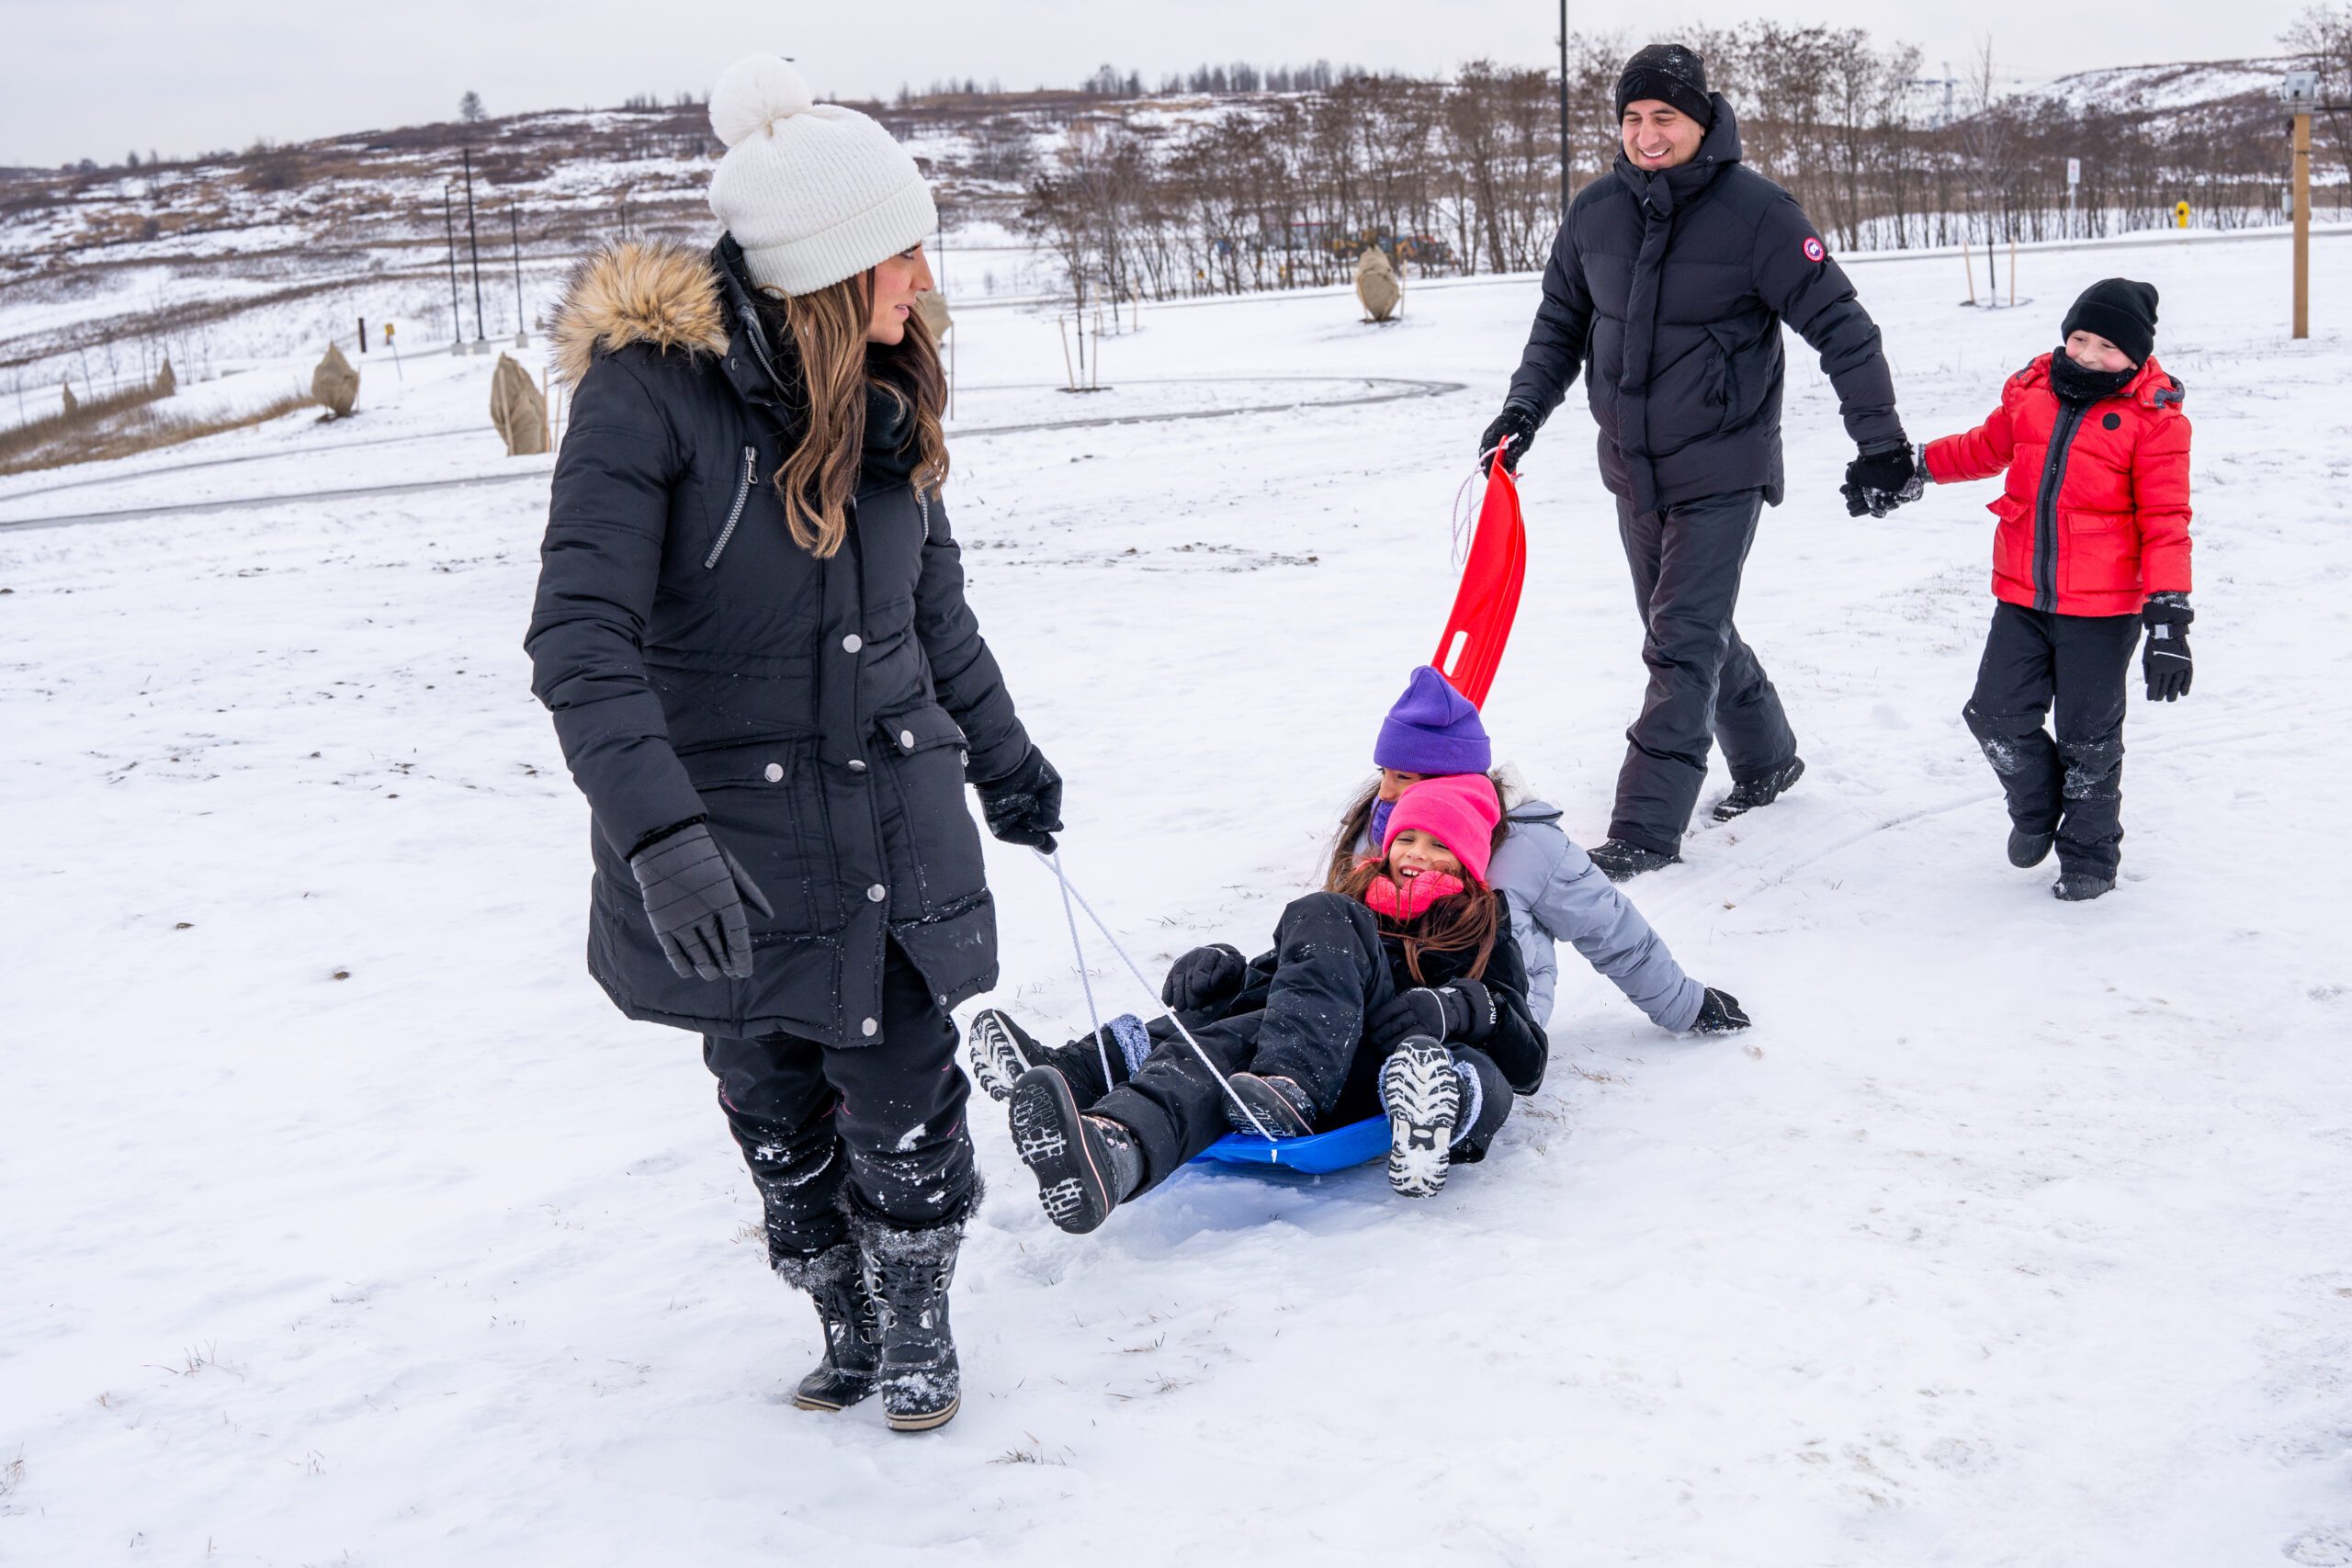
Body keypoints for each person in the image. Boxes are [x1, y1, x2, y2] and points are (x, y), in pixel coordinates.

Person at [524, 55, 1061, 1433]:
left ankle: (919, 1307)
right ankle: (840, 1302)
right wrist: (660, 836)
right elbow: (578, 642)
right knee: (770, 1095)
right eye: (899, 252)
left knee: (905, 1090)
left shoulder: (892, 395)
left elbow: (935, 616)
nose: (921, 276)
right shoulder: (647, 402)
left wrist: (1006, 761)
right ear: (825, 270)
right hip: (734, 846)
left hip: (890, 818)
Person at [1479, 43, 1917, 881]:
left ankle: (1646, 829)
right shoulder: (1595, 213)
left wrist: (1881, 444)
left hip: (1725, 465)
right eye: (1634, 119)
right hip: (1633, 469)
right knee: (1686, 629)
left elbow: (1845, 328)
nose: (1648, 134)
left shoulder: (1760, 215)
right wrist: (1522, 412)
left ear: (1702, 119)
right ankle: (1769, 758)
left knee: (1680, 642)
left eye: (1665, 118)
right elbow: (1559, 327)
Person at [976, 775, 1544, 1220]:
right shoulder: (1352, 904)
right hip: (1289, 1066)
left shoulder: (1482, 925)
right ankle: (1117, 1148)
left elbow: (1528, 1059)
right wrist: (1223, 973)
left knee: (1458, 1063)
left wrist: (1457, 1006)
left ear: (1469, 858)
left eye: (1438, 844)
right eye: (1408, 839)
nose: (1416, 854)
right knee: (1213, 1041)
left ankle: (1422, 1115)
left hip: (1387, 1073)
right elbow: (1278, 985)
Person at [1915, 278, 2193, 900]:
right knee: (1993, 714)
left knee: (2089, 739)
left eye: (2108, 347)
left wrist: (2169, 618)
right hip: (2023, 596)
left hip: (2102, 610)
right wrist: (1916, 465)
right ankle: (2037, 808)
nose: (2090, 355)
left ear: (2138, 355)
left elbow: (2167, 522)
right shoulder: (2033, 390)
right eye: (2080, 338)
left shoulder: (2154, 421)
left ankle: (2090, 859)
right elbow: (1985, 448)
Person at [1324, 666, 1746, 1036]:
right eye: (1384, 773)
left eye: (1401, 776)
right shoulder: (1379, 828)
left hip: (1494, 1016)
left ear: (1450, 777)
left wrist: (1684, 1005)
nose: (1385, 790)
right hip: (1382, 1004)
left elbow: (1611, 929)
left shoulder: (1528, 846)